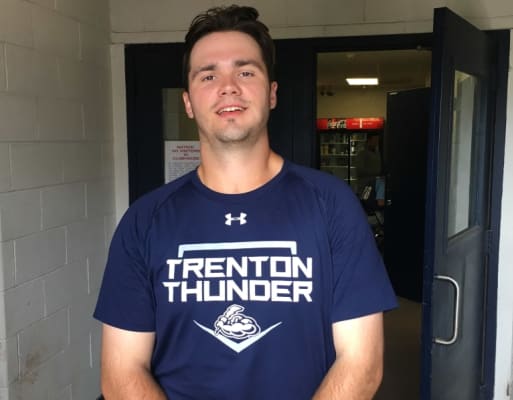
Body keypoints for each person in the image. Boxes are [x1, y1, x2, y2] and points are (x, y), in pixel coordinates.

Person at [94, 5, 397, 400]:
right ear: (188, 103)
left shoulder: (332, 206)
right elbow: (121, 373)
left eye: (246, 72)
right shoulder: (145, 220)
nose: (228, 87)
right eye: (208, 75)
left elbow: (362, 363)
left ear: (271, 94)